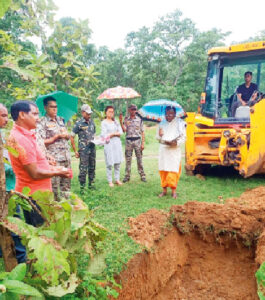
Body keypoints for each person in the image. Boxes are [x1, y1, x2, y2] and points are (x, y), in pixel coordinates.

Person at [7, 100, 71, 226]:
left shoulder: (26, 134)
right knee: (40, 233)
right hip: (34, 196)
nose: (38, 118)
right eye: (35, 114)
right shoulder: (20, 139)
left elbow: (32, 162)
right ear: (22, 115)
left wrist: (47, 163)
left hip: (38, 194)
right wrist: (57, 172)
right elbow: (34, 173)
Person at [0, 103, 26, 263]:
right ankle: (20, 260)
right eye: (2, 116)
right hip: (3, 190)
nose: (6, 119)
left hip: (9, 187)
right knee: (14, 226)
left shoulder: (3, 135)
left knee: (13, 223)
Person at [36, 96, 71, 200]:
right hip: (53, 160)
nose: (55, 109)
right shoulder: (42, 122)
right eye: (52, 107)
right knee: (54, 188)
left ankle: (67, 207)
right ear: (46, 107)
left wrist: (66, 135)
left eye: (56, 107)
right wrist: (56, 137)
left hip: (66, 157)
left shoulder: (61, 120)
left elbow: (67, 137)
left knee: (66, 187)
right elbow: (40, 143)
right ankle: (55, 209)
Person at [156, 106, 186, 199]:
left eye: (171, 114)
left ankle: (173, 191)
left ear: (174, 114)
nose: (168, 116)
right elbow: (157, 137)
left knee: (173, 170)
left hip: (174, 151)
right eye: (167, 114)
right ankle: (164, 190)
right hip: (164, 150)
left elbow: (184, 137)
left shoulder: (180, 124)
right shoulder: (161, 123)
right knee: (163, 170)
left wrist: (175, 143)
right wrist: (160, 135)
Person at [70, 104, 96, 191]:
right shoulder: (78, 123)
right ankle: (82, 187)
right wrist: (75, 151)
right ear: (82, 113)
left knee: (92, 166)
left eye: (90, 113)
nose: (89, 115)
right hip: (83, 150)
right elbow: (72, 137)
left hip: (92, 148)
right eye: (87, 113)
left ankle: (91, 185)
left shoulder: (92, 122)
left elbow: (94, 134)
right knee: (83, 168)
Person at [119, 104, 146, 183]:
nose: (134, 111)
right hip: (128, 141)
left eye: (135, 109)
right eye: (132, 109)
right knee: (128, 159)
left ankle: (142, 175)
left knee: (139, 159)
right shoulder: (126, 119)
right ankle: (127, 176)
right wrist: (121, 121)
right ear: (129, 110)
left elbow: (142, 132)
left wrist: (143, 143)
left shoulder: (139, 119)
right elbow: (124, 130)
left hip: (137, 140)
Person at [101, 106, 123, 187]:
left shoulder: (116, 122)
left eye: (112, 112)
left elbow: (120, 132)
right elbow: (104, 135)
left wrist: (112, 134)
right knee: (109, 163)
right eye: (109, 111)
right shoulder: (104, 122)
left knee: (117, 162)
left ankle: (117, 179)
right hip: (109, 144)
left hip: (117, 143)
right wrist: (114, 133)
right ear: (106, 112)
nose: (111, 113)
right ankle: (110, 181)